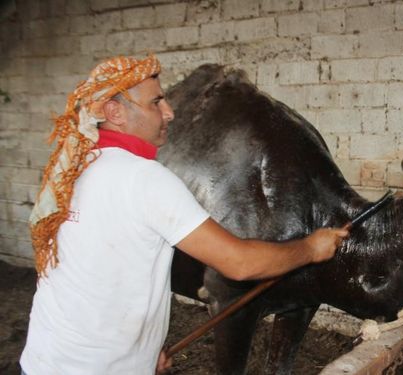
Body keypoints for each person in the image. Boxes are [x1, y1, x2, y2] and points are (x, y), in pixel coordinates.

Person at [20, 55, 349, 375]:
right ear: (113, 111)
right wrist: (311, 248)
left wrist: (143, 350)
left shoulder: (72, 170)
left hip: (46, 357)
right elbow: (239, 263)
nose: (170, 112)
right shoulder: (145, 178)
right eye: (156, 103)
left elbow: (88, 274)